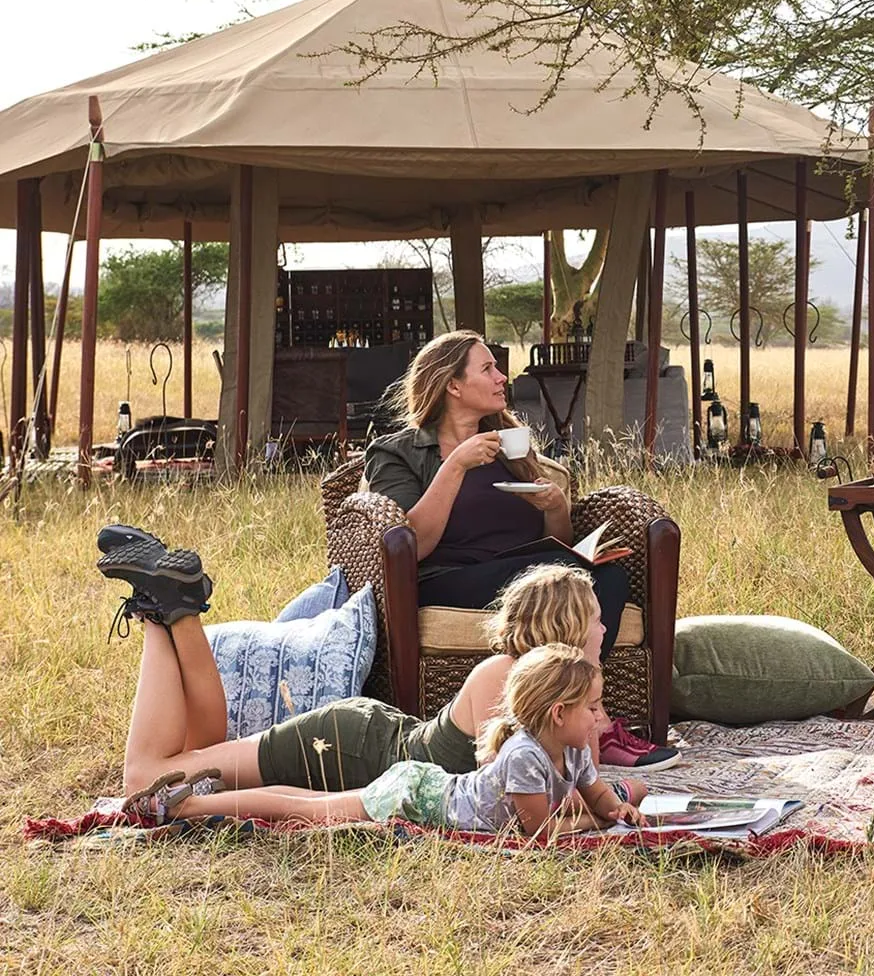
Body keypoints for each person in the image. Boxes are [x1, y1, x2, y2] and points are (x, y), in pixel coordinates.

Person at [96, 526, 664, 805]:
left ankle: (173, 608)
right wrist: (618, 791)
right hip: (348, 748)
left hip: (369, 739)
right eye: (596, 620)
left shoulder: (552, 685)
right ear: (566, 628)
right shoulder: (507, 676)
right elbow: (545, 796)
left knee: (199, 750)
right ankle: (159, 614)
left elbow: (577, 783)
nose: (605, 630)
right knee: (146, 778)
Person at [129, 645, 647, 841]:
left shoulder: (570, 750)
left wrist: (615, 807)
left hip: (425, 783)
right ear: (558, 713)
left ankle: (205, 796)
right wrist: (600, 819)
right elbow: (541, 834)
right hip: (415, 796)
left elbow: (598, 794)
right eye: (594, 708)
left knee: (315, 803)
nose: (602, 718)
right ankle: (188, 806)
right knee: (308, 812)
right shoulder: (526, 756)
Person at [363, 330, 631, 657]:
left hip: (531, 569)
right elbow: (411, 546)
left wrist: (556, 508)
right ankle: (569, 678)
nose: (502, 377)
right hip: (449, 579)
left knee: (611, 576)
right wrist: (456, 464)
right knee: (563, 573)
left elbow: (555, 541)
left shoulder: (509, 445)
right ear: (453, 386)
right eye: (487, 369)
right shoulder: (397, 452)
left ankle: (580, 674)